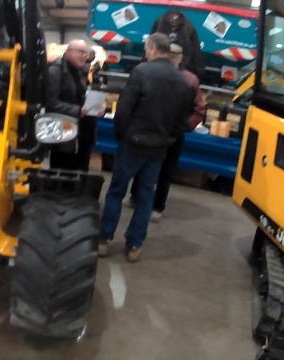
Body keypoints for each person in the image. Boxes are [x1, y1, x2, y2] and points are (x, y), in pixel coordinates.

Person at [98, 33, 194, 262]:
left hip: (133, 144)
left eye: (146, 48)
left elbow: (123, 111)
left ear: (152, 49)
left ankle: (104, 239)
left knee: (116, 191)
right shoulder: (183, 81)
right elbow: (183, 121)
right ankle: (134, 245)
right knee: (145, 197)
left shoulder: (141, 72)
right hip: (159, 149)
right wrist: (167, 139)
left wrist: (123, 136)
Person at [128, 43, 205, 222]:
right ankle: (136, 197)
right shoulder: (151, 73)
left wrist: (181, 129)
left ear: (178, 59)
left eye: (172, 57)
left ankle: (157, 206)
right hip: (156, 130)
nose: (169, 60)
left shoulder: (189, 80)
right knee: (145, 166)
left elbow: (199, 110)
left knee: (165, 170)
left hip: (170, 135)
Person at [46, 39, 93, 171]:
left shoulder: (81, 72)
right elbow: (51, 103)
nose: (84, 55)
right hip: (63, 130)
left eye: (86, 53)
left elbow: (80, 95)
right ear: (68, 52)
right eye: (81, 52)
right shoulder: (55, 71)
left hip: (82, 129)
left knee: (81, 166)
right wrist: (77, 110)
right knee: (62, 166)